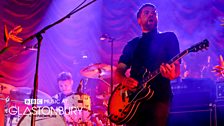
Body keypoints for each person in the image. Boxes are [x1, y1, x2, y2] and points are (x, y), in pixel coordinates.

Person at [114, 3, 180, 126]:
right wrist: (124, 81)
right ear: (139, 20)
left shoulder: (169, 38)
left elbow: (176, 70)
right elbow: (118, 72)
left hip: (159, 99)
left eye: (154, 12)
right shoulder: (132, 44)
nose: (151, 14)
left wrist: (171, 74)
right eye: (147, 12)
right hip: (133, 102)